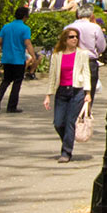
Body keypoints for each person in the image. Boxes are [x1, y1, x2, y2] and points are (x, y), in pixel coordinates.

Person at [43, 28, 93, 163]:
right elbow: (52, 76)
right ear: (65, 40)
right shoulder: (57, 55)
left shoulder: (82, 54)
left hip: (76, 91)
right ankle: (67, 140)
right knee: (58, 123)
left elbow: (87, 73)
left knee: (70, 122)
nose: (74, 39)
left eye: (76, 37)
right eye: (71, 37)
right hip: (61, 91)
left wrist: (88, 93)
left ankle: (66, 152)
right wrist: (48, 95)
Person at [0, 5, 34, 113]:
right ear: (25, 17)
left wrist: (4, 47)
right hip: (18, 59)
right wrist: (33, 55)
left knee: (6, 80)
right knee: (17, 83)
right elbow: (27, 43)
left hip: (7, 58)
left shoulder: (6, 26)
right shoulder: (25, 28)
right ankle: (11, 106)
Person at [66, 6, 107, 105]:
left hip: (72, 60)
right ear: (91, 15)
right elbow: (102, 46)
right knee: (90, 89)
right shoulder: (95, 27)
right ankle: (86, 111)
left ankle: (74, 111)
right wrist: (97, 52)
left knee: (73, 88)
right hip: (90, 61)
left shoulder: (68, 27)